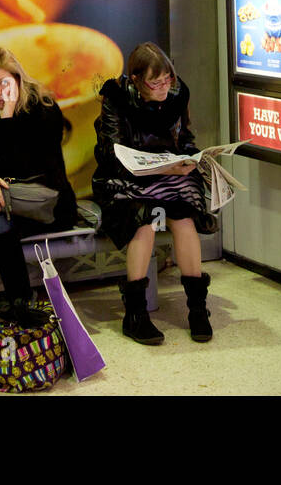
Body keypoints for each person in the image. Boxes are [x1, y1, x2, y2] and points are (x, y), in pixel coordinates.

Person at [0, 45, 77, 364]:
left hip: (44, 201)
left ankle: (22, 312)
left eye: (4, 83)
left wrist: (7, 117)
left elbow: (29, 166)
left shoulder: (44, 108)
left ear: (18, 79)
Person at [93, 42, 217, 345]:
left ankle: (197, 309)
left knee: (184, 216)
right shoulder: (116, 97)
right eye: (155, 82)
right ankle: (135, 315)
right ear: (136, 80)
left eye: (167, 80)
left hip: (170, 175)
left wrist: (190, 159)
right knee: (144, 221)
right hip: (127, 178)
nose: (164, 87)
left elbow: (185, 137)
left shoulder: (177, 93)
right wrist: (152, 167)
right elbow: (111, 152)